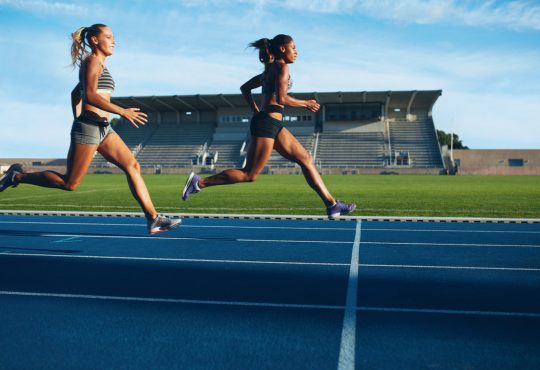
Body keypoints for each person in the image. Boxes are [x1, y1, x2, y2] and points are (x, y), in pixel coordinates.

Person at [0, 24, 181, 234]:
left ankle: (153, 219)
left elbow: (76, 94)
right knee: (70, 183)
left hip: (103, 130)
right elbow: (91, 96)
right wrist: (120, 112)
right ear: (95, 40)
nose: (114, 41)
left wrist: (78, 116)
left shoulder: (100, 65)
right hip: (89, 129)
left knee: (132, 166)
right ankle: (18, 175)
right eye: (109, 37)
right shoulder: (92, 61)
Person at [182, 34, 355, 219]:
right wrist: (306, 103)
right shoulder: (281, 67)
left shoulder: (269, 70)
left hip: (271, 123)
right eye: (293, 48)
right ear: (282, 48)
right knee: (250, 174)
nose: (296, 52)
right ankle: (199, 183)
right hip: (266, 124)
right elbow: (280, 99)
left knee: (305, 158)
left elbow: (245, 88)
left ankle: (332, 205)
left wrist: (256, 110)